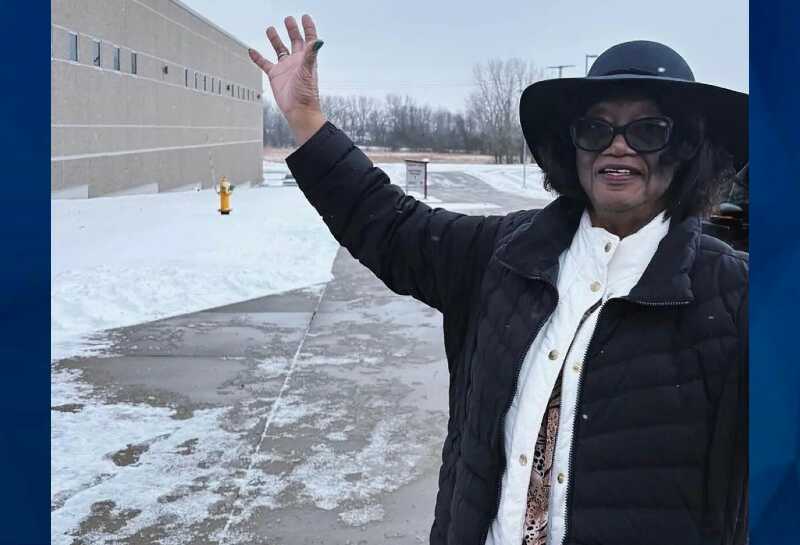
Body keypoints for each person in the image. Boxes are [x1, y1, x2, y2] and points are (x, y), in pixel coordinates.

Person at [249, 15, 748, 545]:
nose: (617, 146)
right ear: (572, 147)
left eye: (648, 130)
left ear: (688, 147)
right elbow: (389, 225)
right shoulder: (505, 255)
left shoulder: (739, 300)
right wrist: (305, 120)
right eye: (595, 129)